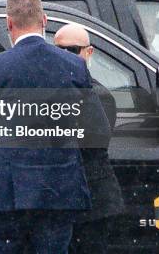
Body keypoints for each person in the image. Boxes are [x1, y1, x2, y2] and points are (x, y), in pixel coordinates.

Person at [0, 0, 109, 254]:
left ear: (9, 24)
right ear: (45, 21)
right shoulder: (74, 65)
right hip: (58, 192)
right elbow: (97, 132)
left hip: (6, 194)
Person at [53, 24, 124, 254]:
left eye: (72, 50)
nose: (64, 57)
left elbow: (86, 144)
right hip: (62, 202)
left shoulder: (98, 95)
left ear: (88, 52)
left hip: (92, 203)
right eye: (58, 50)